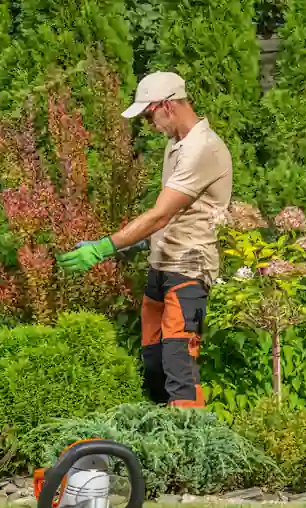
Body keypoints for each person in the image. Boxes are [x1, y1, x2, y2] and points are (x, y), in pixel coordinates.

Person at [57, 71, 232, 409]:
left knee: (178, 366)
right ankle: (158, 441)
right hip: (161, 266)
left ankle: (191, 446)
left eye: (150, 114)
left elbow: (160, 215)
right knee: (153, 364)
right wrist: (137, 242)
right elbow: (175, 212)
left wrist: (105, 247)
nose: (150, 124)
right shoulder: (176, 145)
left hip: (188, 270)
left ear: (167, 105)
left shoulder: (202, 148)